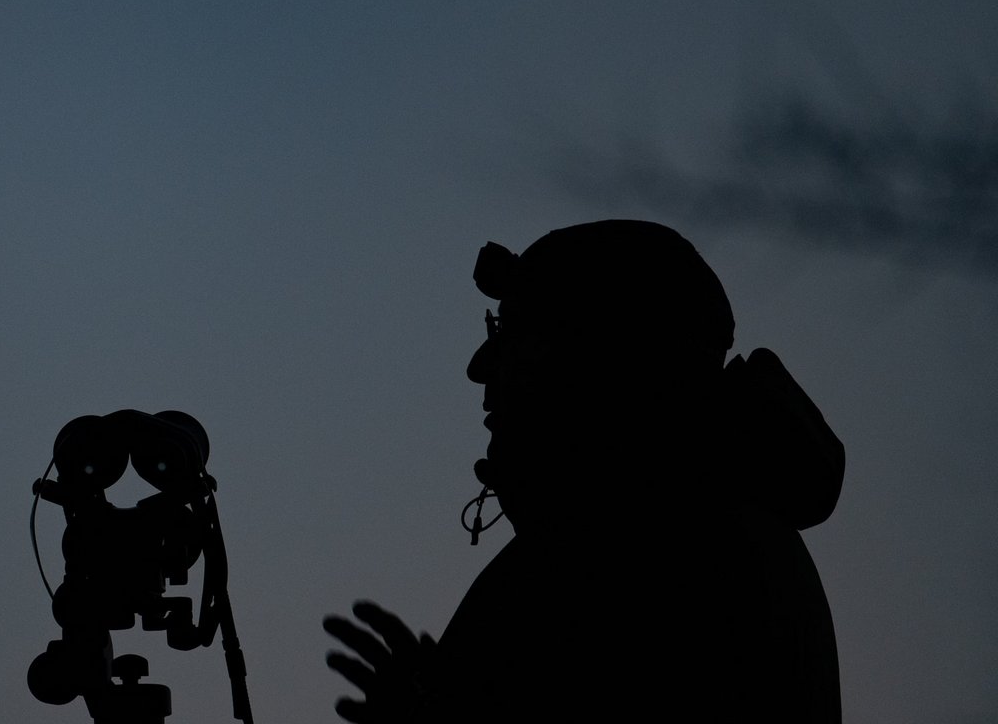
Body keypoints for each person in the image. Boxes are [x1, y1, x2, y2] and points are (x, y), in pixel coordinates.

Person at [325, 220, 843, 722]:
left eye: (512, 332)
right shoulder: (647, 529)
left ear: (597, 356)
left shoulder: (650, 552)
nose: (481, 365)